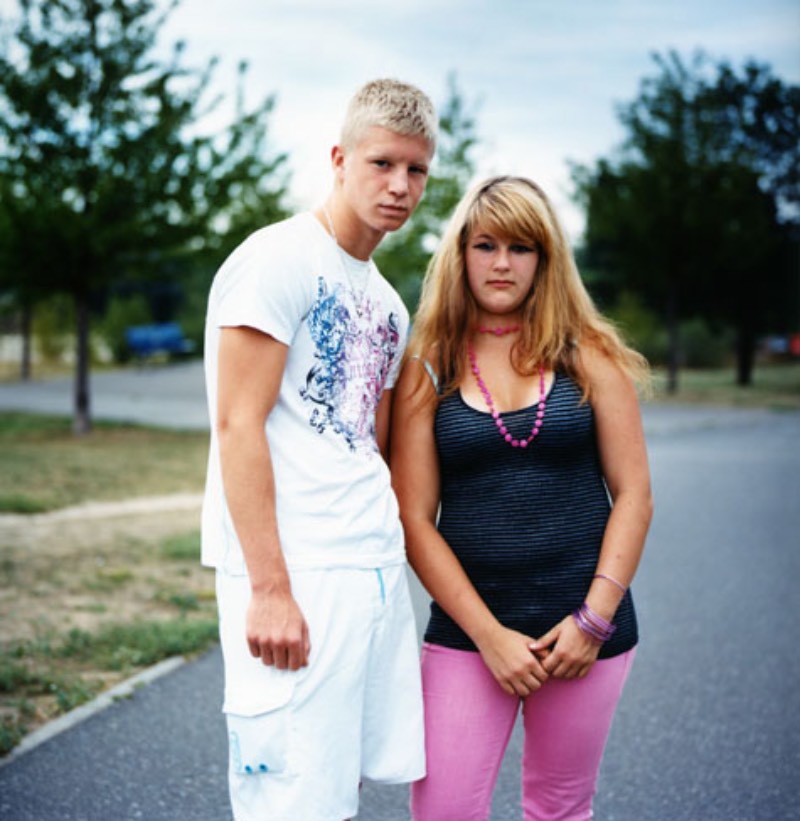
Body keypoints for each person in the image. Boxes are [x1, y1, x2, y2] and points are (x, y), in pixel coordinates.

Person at [201, 78, 438, 821]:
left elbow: (365, 440)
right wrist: (269, 588)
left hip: (366, 567)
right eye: (381, 164)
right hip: (296, 571)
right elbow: (239, 425)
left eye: (416, 170)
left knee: (338, 788)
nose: (400, 186)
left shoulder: (388, 301)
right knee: (289, 797)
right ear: (339, 158)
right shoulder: (275, 260)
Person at [391, 175, 653, 821]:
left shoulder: (589, 355)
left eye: (521, 246)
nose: (502, 263)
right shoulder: (430, 364)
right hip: (468, 635)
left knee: (559, 809)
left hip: (584, 633)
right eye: (484, 245)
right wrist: (491, 638)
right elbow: (414, 519)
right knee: (443, 811)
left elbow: (634, 494)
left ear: (546, 257)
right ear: (460, 255)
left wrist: (592, 621)